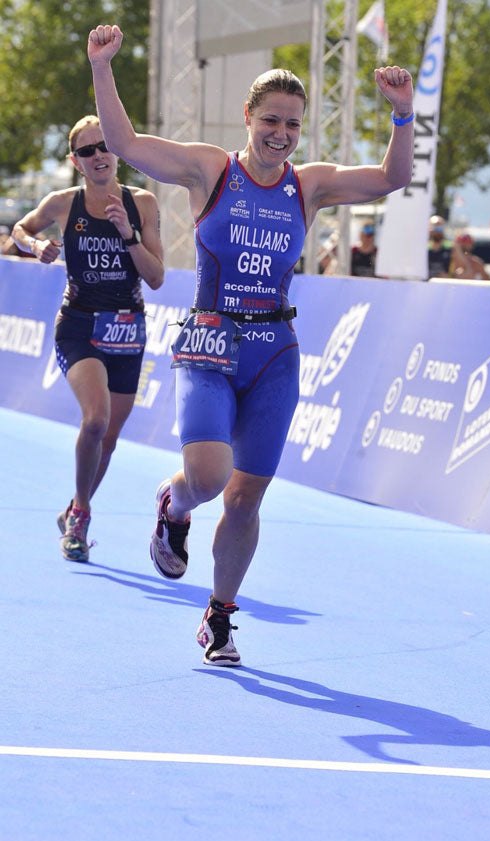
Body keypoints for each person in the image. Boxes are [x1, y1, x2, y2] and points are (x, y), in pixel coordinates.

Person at [88, 23, 414, 666]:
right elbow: (124, 143)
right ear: (248, 116)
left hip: (275, 354)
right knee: (208, 479)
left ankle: (220, 617)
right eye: (271, 121)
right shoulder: (210, 169)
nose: (281, 135)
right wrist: (102, 67)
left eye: (293, 125)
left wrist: (403, 114)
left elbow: (388, 179)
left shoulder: (309, 185)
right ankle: (173, 503)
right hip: (209, 344)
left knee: (245, 497)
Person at [12, 114, 164, 562]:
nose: (98, 155)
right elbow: (21, 229)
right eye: (87, 151)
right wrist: (36, 247)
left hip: (127, 328)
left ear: (117, 151)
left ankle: (76, 505)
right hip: (78, 324)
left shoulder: (143, 204)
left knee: (110, 438)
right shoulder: (63, 203)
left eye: (104, 146)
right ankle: (81, 514)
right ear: (76, 162)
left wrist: (128, 235)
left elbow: (155, 277)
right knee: (95, 419)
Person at [427, 214, 451, 279]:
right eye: (435, 226)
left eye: (440, 227)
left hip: (444, 285)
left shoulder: (450, 248)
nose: (437, 230)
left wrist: (450, 276)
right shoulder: (423, 248)